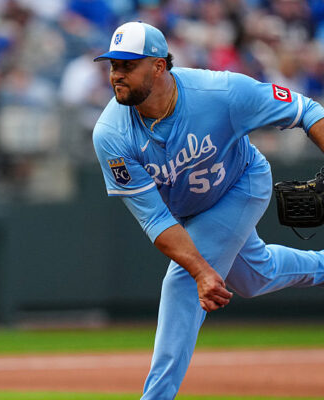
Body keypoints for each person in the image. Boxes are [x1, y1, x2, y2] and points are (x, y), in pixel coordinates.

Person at [92, 21, 324, 400]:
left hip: (242, 184)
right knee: (255, 277)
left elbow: (306, 109)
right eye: (113, 64)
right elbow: (155, 220)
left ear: (158, 66)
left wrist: (197, 272)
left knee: (180, 284)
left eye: (127, 65)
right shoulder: (111, 134)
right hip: (188, 212)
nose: (116, 74)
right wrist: (202, 269)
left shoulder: (220, 91)